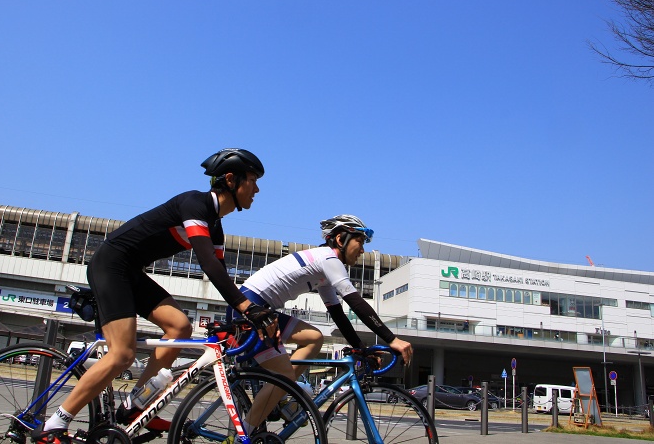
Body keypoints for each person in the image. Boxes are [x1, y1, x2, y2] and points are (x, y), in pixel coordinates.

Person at [33, 148, 277, 444]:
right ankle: (53, 425)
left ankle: (134, 405)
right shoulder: (195, 204)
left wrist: (243, 315)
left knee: (179, 328)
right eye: (252, 180)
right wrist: (246, 306)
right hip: (111, 265)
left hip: (130, 271)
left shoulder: (215, 226)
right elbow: (207, 264)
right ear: (230, 179)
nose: (257, 188)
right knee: (122, 354)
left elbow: (221, 276)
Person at [226, 214, 413, 436]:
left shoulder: (323, 269)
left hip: (260, 309)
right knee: (285, 376)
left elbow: (339, 314)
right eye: (360, 241)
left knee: (314, 338)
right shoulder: (329, 260)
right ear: (341, 239)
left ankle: (279, 394)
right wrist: (392, 339)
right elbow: (356, 302)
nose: (362, 250)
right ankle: (243, 436)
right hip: (253, 311)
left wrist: (360, 348)